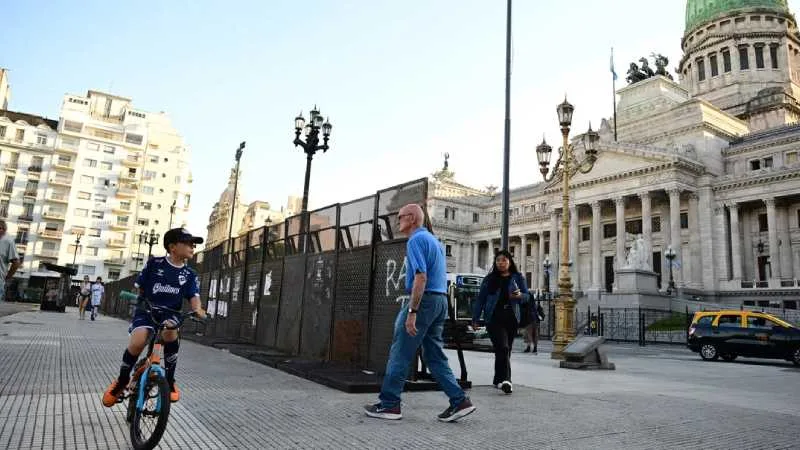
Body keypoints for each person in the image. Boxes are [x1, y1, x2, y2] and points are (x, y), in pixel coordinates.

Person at [364, 204, 475, 422]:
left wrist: (412, 311)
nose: (397, 222)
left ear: (413, 218)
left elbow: (421, 277)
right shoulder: (434, 241)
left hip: (423, 302)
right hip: (439, 300)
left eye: (400, 217)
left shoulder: (415, 240)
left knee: (400, 352)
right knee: (434, 356)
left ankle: (389, 405)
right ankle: (459, 400)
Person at [102, 228, 206, 407]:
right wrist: (140, 299)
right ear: (172, 247)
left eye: (194, 243)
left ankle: (170, 380)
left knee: (170, 332)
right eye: (188, 242)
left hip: (170, 315)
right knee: (138, 342)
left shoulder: (190, 275)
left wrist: (198, 309)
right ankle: (121, 381)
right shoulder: (154, 264)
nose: (193, 246)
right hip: (147, 311)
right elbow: (140, 288)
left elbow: (194, 296)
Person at [473, 249, 530, 394]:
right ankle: (507, 381)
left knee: (504, 349)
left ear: (510, 262)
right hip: (493, 317)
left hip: (511, 317)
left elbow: (527, 296)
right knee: (503, 348)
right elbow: (481, 299)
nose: (501, 263)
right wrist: (475, 318)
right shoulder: (489, 279)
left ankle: (498, 379)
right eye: (498, 260)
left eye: (504, 260)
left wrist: (520, 296)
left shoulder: (517, 277)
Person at [0, 220, 21, 304]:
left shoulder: (8, 242)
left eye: (0, 228)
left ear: (4, 230)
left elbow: (16, 262)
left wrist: (8, 276)